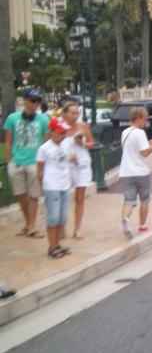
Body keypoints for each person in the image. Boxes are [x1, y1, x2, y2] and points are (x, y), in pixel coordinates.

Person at [3, 89, 49, 238]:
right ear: (25, 101)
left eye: (38, 101)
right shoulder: (12, 118)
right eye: (33, 100)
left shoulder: (42, 120)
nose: (35, 104)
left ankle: (32, 226)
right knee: (20, 195)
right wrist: (10, 159)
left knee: (33, 195)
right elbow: (8, 140)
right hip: (17, 161)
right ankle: (28, 223)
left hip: (34, 162)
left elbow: (46, 142)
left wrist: (44, 162)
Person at [118, 107, 152, 240]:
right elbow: (145, 152)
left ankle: (125, 219)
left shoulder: (125, 132)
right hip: (140, 172)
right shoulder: (139, 133)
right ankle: (142, 225)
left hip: (126, 172)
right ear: (139, 118)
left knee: (129, 200)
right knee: (144, 199)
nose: (147, 121)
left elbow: (140, 147)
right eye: (145, 119)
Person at [36, 117, 73, 258]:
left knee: (62, 217)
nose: (62, 135)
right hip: (52, 186)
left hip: (64, 185)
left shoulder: (65, 145)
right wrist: (42, 187)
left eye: (64, 132)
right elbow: (39, 170)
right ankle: (52, 246)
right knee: (53, 217)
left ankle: (57, 244)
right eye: (59, 132)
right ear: (51, 132)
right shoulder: (44, 149)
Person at [61, 102, 95, 239]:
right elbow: (53, 146)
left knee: (80, 198)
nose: (75, 115)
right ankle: (61, 227)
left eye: (76, 112)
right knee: (63, 197)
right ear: (65, 113)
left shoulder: (83, 126)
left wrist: (84, 143)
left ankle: (77, 229)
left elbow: (92, 143)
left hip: (82, 165)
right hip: (66, 165)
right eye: (72, 113)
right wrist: (68, 156)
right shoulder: (60, 127)